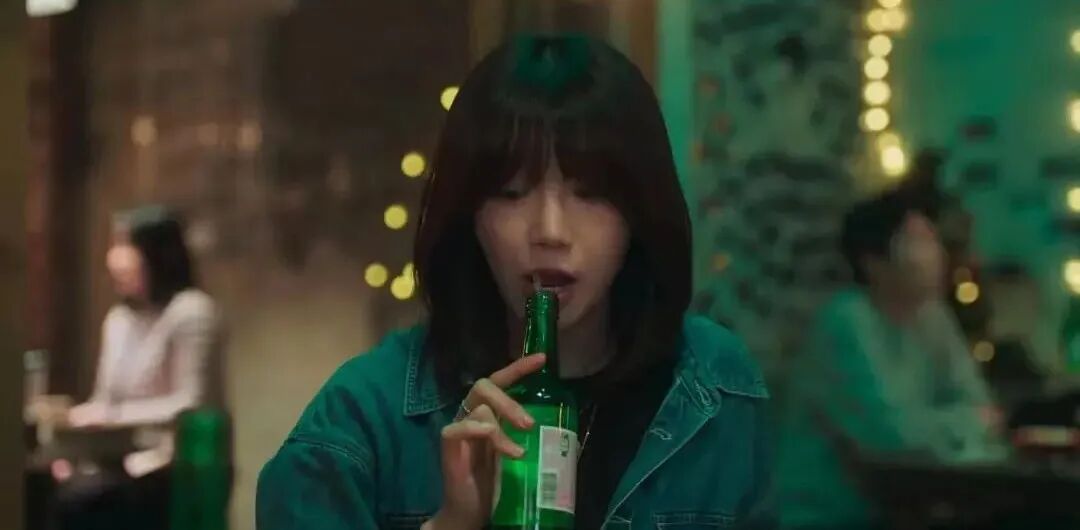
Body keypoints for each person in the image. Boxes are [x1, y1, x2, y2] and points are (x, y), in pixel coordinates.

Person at [257, 34, 774, 530]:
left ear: (638, 210)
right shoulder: (362, 421)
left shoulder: (714, 390)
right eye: (511, 192)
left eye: (590, 193)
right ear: (469, 214)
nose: (550, 231)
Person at [775, 190, 1005, 529]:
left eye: (934, 241)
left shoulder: (933, 317)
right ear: (873, 262)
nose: (937, 255)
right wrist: (963, 424)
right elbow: (888, 438)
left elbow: (985, 412)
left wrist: (948, 424)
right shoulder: (847, 321)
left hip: (903, 511)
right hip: (830, 516)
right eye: (918, 242)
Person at [57, 205, 224, 530]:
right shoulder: (118, 320)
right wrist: (71, 445)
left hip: (174, 467)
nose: (114, 259)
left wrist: (112, 416)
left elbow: (192, 403)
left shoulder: (192, 311)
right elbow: (105, 400)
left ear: (156, 254)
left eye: (125, 246)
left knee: (79, 504)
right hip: (118, 462)